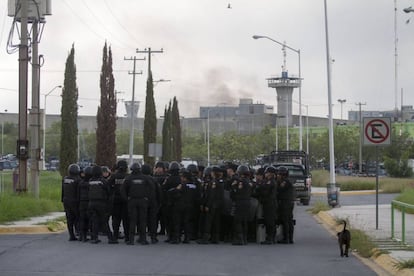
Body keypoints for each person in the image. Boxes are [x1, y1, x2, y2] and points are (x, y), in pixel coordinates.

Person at [121, 163, 152, 245]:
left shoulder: (128, 178)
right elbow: (151, 188)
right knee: (142, 221)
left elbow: (122, 190)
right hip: (142, 201)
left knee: (132, 221)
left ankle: (131, 240)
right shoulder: (145, 178)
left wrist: (126, 199)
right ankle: (143, 239)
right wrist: (147, 198)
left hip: (132, 201)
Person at [88, 165, 117, 244]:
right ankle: (110, 238)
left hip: (91, 203)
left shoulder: (90, 181)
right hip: (101, 203)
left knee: (94, 221)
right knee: (104, 221)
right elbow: (108, 192)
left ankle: (94, 238)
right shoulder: (103, 181)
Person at [198, 166, 224, 244]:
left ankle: (205, 238)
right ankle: (215, 238)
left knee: (208, 222)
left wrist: (207, 205)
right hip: (218, 205)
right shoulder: (221, 181)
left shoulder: (214, 182)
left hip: (212, 204)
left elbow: (211, 195)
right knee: (216, 222)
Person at [108, 160, 129, 243]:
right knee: (126, 219)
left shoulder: (114, 176)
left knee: (116, 219)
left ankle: (115, 236)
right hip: (126, 200)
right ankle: (127, 237)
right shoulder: (128, 176)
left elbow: (108, 186)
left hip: (115, 200)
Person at [230, 165, 252, 245]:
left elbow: (236, 193)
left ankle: (240, 239)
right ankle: (245, 239)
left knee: (238, 221)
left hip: (240, 202)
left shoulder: (240, 182)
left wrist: (233, 187)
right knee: (244, 221)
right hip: (247, 202)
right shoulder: (249, 181)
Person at [256, 166, 277, 244]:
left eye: (267, 173)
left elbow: (265, 191)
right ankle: (272, 238)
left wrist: (259, 188)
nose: (266, 174)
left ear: (271, 174)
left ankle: (270, 238)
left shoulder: (271, 182)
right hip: (268, 203)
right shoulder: (269, 181)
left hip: (269, 203)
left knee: (269, 221)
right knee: (270, 221)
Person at [141, 163, 161, 244]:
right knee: (153, 220)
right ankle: (153, 237)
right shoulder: (154, 180)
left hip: (142, 202)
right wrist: (159, 202)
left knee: (142, 220)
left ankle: (142, 237)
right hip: (153, 202)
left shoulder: (140, 179)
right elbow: (159, 192)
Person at [61, 164, 81, 241]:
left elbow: (63, 191)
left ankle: (71, 235)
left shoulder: (65, 179)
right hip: (75, 201)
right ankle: (79, 232)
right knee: (77, 217)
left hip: (66, 201)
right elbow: (78, 192)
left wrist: (62, 200)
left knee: (69, 218)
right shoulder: (78, 180)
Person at [276, 166, 295, 244]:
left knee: (285, 220)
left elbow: (279, 189)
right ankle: (290, 238)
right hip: (289, 202)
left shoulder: (285, 182)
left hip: (286, 203)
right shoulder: (287, 181)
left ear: (282, 174)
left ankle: (286, 238)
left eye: (279, 174)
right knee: (289, 220)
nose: (278, 176)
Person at [78, 166, 91, 242]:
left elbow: (78, 193)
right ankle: (90, 236)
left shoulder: (81, 183)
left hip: (81, 202)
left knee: (82, 219)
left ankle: (82, 236)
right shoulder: (90, 183)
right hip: (89, 202)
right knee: (89, 220)